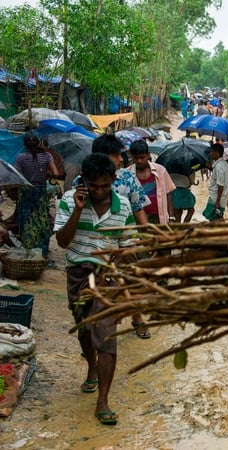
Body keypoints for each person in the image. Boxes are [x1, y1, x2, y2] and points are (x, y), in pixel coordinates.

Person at [54, 153, 136, 426]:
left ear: (113, 180)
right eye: (94, 186)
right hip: (78, 274)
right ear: (84, 182)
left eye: (105, 186)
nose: (99, 192)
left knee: (106, 335)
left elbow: (128, 248)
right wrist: (78, 209)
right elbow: (62, 242)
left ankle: (103, 400)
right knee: (85, 330)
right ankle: (91, 366)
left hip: (109, 278)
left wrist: (113, 273)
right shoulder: (69, 200)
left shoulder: (123, 206)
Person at [90, 134, 151, 338]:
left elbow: (139, 208)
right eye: (116, 155)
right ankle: (100, 329)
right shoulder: (84, 180)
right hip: (96, 244)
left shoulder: (127, 178)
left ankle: (137, 318)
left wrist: (148, 237)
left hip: (126, 242)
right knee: (99, 285)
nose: (121, 159)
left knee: (131, 280)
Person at [14, 133, 60, 257]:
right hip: (41, 192)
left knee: (26, 219)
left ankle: (28, 248)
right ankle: (42, 250)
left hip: (26, 191)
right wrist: (46, 174)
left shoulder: (21, 157)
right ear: (38, 143)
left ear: (25, 145)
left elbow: (16, 175)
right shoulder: (47, 156)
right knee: (41, 220)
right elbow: (56, 173)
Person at [127, 140, 176, 225]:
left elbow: (168, 195)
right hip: (136, 218)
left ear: (148, 155)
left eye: (142, 157)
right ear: (132, 157)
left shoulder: (161, 171)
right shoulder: (127, 174)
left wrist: (171, 218)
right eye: (136, 158)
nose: (139, 161)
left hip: (158, 217)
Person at [202, 143, 228, 221]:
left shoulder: (219, 166)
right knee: (217, 219)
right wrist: (210, 168)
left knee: (214, 219)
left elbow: (221, 185)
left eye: (211, 151)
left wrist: (217, 201)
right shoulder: (223, 164)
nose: (210, 154)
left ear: (217, 153)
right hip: (220, 197)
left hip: (216, 198)